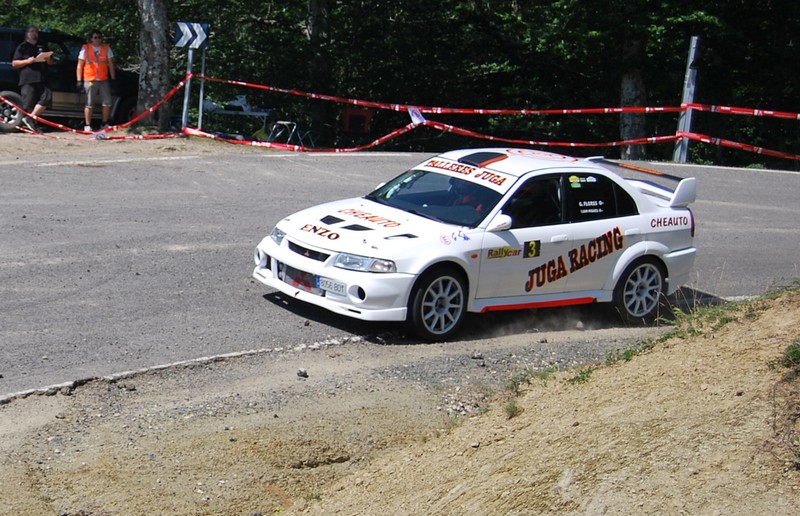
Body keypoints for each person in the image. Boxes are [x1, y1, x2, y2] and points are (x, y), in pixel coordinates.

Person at [11, 25, 54, 132]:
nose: (35, 33)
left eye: (36, 31)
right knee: (28, 103)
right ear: (27, 34)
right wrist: (27, 61)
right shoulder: (23, 47)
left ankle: (30, 118)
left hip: (42, 77)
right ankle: (30, 125)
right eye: (32, 31)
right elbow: (14, 63)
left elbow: (51, 61)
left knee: (47, 97)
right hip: (28, 78)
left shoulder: (42, 45)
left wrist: (48, 59)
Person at [77, 30, 116, 132]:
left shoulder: (106, 48)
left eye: (99, 37)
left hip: (103, 79)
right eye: (95, 37)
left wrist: (113, 78)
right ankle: (87, 125)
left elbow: (111, 64)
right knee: (89, 103)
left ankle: (104, 123)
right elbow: (80, 66)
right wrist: (79, 80)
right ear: (91, 39)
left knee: (107, 103)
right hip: (90, 79)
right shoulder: (85, 49)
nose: (98, 39)